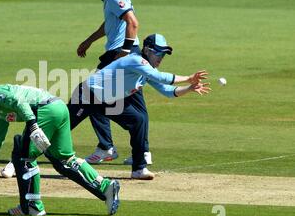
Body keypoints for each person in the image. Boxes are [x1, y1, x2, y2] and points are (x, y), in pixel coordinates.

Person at [0, 71, 120, 216]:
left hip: (44, 111)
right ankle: (106, 187)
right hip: (58, 108)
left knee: (23, 156)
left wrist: (33, 126)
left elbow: (19, 101)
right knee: (63, 160)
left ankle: (32, 206)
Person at [68, 34, 211, 180]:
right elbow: (161, 77)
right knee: (61, 126)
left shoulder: (146, 70)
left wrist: (189, 88)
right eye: (158, 52)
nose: (161, 57)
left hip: (107, 101)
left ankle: (139, 168)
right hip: (87, 95)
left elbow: (168, 91)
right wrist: (188, 77)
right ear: (147, 50)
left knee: (139, 119)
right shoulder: (136, 60)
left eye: (163, 54)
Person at [76, 0, 149, 165]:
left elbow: (133, 23)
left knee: (91, 96)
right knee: (137, 102)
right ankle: (143, 152)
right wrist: (89, 40)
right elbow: (111, 23)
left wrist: (124, 51)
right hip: (130, 53)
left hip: (118, 54)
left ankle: (105, 146)